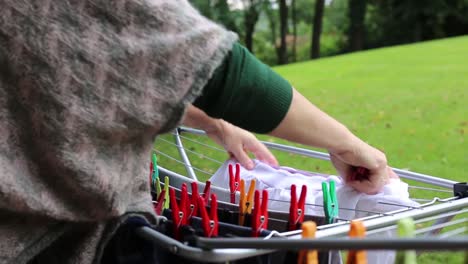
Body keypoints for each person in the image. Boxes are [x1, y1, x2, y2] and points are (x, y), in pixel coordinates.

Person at [0, 0, 390, 263]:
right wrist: (348, 144)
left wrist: (214, 123)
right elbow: (225, 74)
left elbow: (102, 78)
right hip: (60, 241)